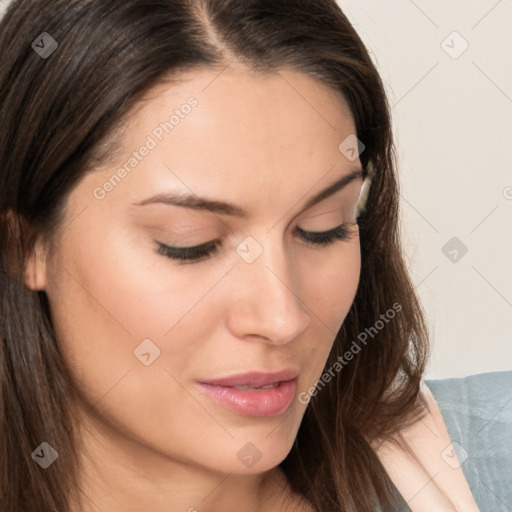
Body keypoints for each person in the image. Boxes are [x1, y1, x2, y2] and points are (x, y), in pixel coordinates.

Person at [0, 1, 480, 511]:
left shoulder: (487, 458)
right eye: (191, 244)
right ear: (26, 244)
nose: (283, 319)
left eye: (322, 229)